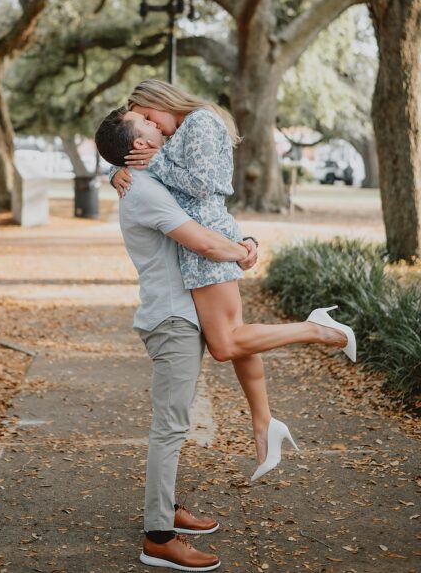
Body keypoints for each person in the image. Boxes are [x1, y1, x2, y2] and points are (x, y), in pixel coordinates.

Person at [107, 81, 355, 479]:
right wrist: (116, 171)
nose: (153, 130)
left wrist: (153, 162)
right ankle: (264, 424)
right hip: (203, 242)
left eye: (150, 118)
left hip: (209, 241)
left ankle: (315, 328)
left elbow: (206, 185)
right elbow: (131, 152)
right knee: (236, 339)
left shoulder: (201, 122)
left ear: (161, 101)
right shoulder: (177, 133)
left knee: (225, 344)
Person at [96, 105, 264, 571]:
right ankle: (159, 537)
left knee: (173, 424)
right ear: (137, 148)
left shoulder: (147, 180)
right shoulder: (146, 191)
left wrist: (243, 241)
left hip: (177, 315)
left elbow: (206, 214)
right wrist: (245, 253)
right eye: (147, 124)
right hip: (172, 321)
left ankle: (165, 508)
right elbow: (203, 242)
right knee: (169, 428)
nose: (158, 125)